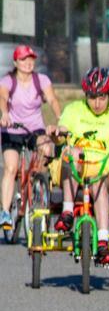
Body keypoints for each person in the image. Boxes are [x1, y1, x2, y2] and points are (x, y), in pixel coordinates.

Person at [52, 68, 109, 263]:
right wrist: (58, 132)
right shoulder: (74, 109)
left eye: (102, 97)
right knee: (71, 153)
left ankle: (102, 239)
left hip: (103, 170)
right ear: (86, 95)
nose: (97, 103)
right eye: (92, 98)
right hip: (76, 168)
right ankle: (67, 211)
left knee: (98, 183)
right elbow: (63, 129)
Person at [0, 44, 63, 236]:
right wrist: (4, 113)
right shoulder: (8, 80)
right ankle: (5, 212)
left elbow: (52, 99)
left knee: (48, 149)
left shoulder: (41, 79)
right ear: (15, 62)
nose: (28, 63)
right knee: (11, 168)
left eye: (31, 59)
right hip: (12, 129)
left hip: (35, 128)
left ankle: (39, 185)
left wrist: (60, 119)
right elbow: (2, 96)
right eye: (23, 60)